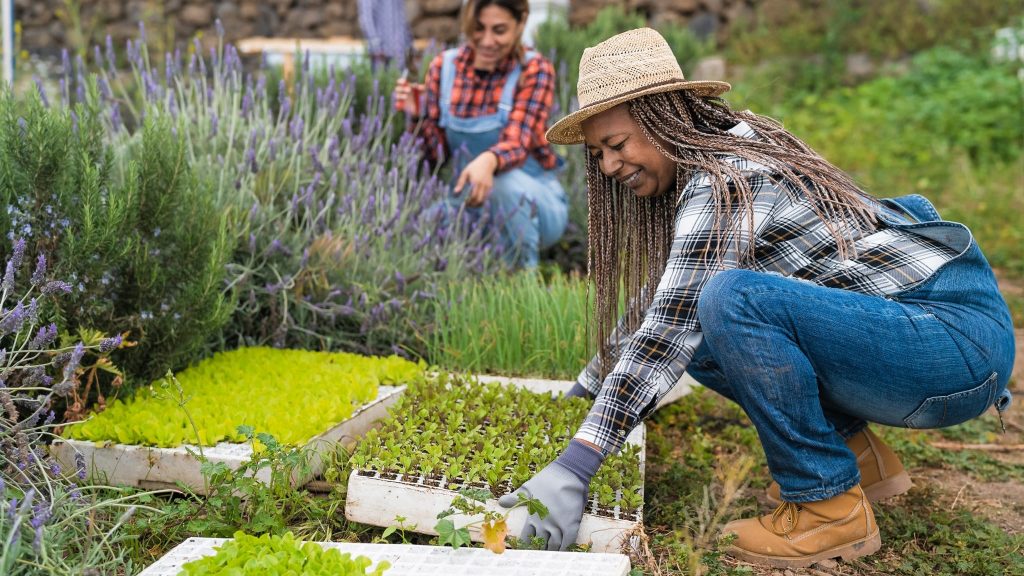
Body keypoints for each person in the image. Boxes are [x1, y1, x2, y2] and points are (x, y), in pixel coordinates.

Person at [498, 28, 1015, 568]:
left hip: (950, 345)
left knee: (730, 301)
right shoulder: (718, 154)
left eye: (617, 145)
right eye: (598, 152)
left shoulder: (727, 180)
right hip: (929, 341)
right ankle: (858, 462)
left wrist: (576, 465)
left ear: (661, 119)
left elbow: (666, 330)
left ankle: (827, 509)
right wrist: (578, 401)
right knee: (703, 318)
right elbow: (661, 304)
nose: (607, 166)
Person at [393, 0, 568, 269]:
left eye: (499, 30)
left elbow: (517, 144)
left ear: (520, 24)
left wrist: (488, 161)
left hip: (533, 201)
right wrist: (418, 117)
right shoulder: (444, 67)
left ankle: (520, 286)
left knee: (503, 188)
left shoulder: (533, 70)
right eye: (478, 28)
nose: (486, 41)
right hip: (469, 201)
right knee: (417, 230)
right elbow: (432, 160)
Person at [357, 0, 412, 70]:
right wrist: (376, 46)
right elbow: (366, 18)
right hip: (381, 54)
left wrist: (408, 43)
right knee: (380, 78)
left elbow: (402, 17)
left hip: (398, 52)